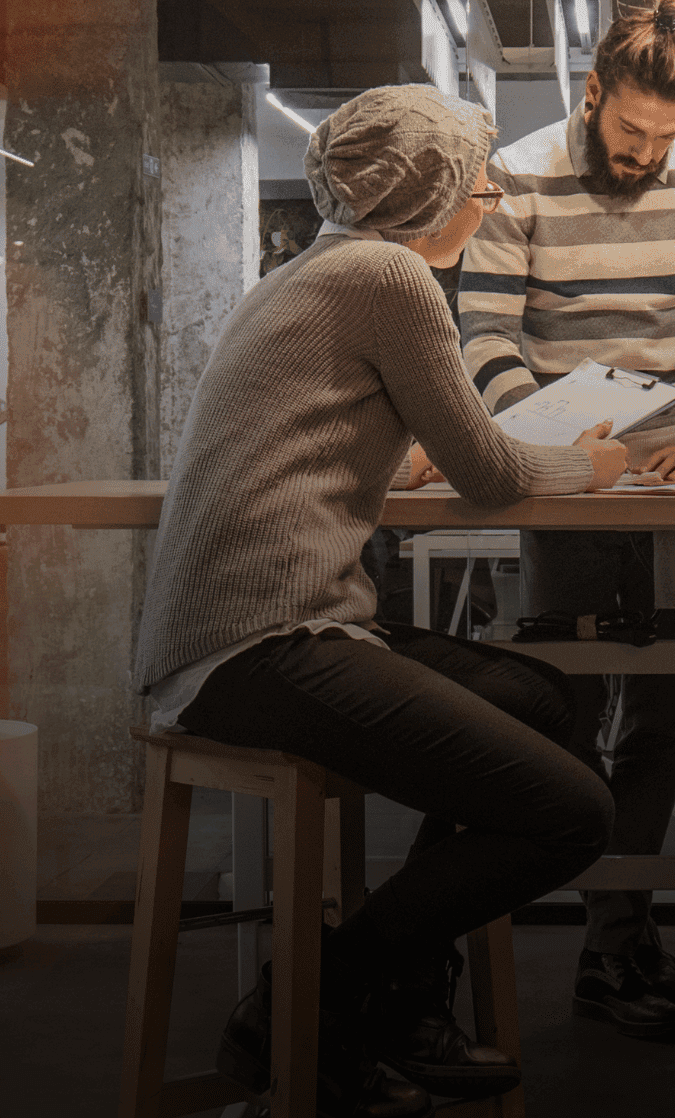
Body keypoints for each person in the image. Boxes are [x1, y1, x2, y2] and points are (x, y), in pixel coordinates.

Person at [135, 86, 627, 1118]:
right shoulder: (388, 271)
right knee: (573, 810)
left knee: (539, 696)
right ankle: (314, 1001)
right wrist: (597, 463)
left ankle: (387, 1001)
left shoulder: (309, 272)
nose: (487, 201)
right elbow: (491, 472)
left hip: (254, 629)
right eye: (480, 183)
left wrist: (390, 464)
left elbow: (330, 437)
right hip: (256, 644)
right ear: (433, 186)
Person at [452, 0, 675, 1041]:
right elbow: (486, 330)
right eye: (631, 129)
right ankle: (611, 925)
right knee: (567, 703)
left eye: (666, 133)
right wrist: (547, 445)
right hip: (561, 466)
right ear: (591, 93)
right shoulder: (523, 171)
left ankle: (618, 932)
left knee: (662, 710)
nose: (647, 151)